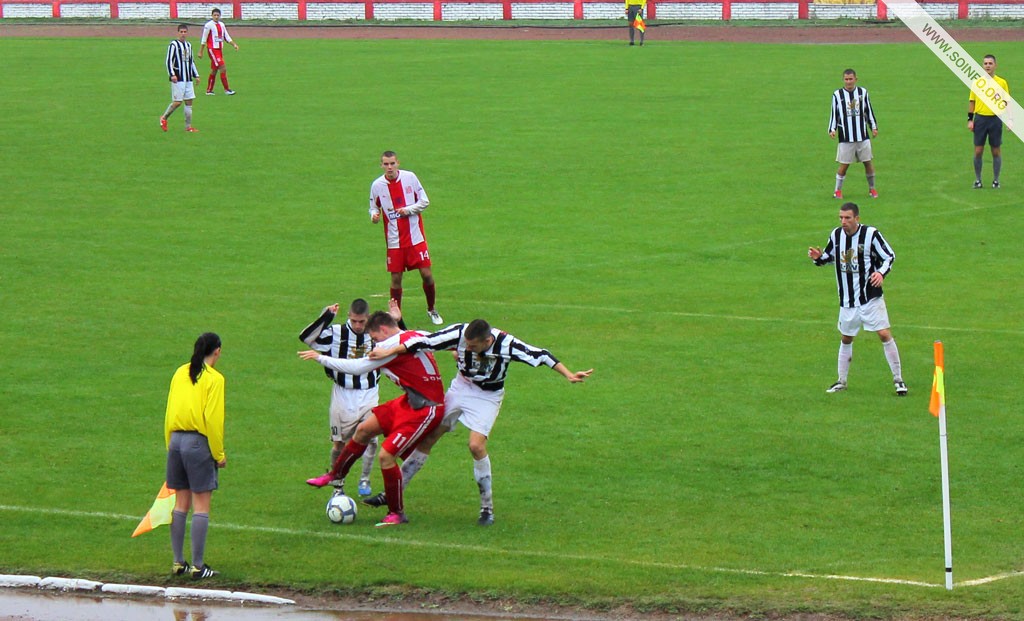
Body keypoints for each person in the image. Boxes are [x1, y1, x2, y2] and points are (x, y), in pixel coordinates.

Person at [364, 319, 593, 526]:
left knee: (476, 446)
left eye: (473, 346)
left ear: (487, 340)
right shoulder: (460, 333)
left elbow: (541, 354)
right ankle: (393, 492)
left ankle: (487, 508)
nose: (466, 349)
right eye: (466, 345)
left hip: (488, 396)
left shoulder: (507, 344)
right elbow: (425, 342)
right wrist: (391, 349)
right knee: (429, 436)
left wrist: (569, 374)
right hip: (461, 387)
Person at [299, 311, 445, 527]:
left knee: (386, 456)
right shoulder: (413, 335)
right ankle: (335, 475)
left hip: (427, 408)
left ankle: (397, 513)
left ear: (383, 330)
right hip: (410, 401)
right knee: (364, 430)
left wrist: (320, 358)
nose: (374, 344)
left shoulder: (389, 348)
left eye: (375, 338)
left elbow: (357, 368)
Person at [808, 203, 906, 397]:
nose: (843, 222)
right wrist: (818, 258)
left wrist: (880, 273)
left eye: (847, 218)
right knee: (846, 338)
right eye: (841, 218)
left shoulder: (871, 235)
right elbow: (829, 257)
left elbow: (889, 256)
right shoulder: (836, 235)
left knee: (884, 334)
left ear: (857, 218)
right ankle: (841, 381)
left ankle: (898, 380)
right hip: (847, 300)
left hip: (870, 297)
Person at [299, 299, 380, 497]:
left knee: (371, 439)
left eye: (362, 321)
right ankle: (338, 485)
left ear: (367, 318)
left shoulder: (376, 334)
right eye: (354, 321)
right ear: (349, 318)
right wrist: (326, 316)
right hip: (342, 394)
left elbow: (402, 341)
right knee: (339, 443)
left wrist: (399, 319)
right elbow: (306, 337)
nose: (358, 326)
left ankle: (364, 479)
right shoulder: (337, 333)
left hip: (369, 392)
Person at [165, 332, 226, 580]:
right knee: (201, 507)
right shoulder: (215, 379)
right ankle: (199, 566)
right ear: (217, 351)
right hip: (198, 444)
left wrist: (170, 444)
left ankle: (178, 562)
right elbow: (212, 420)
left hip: (176, 442)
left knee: (180, 504)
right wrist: (218, 454)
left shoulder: (180, 372)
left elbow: (170, 409)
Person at [369, 151, 444, 326]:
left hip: (416, 238)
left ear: (398, 163)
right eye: (386, 164)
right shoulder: (377, 185)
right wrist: (374, 215)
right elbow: (373, 207)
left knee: (426, 275)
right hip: (394, 240)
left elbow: (425, 202)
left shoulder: (410, 178)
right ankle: (397, 319)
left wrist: (407, 210)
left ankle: (432, 309)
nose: (389, 167)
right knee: (396, 279)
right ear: (381, 165)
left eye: (392, 163)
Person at [828, 69, 878, 199]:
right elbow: (834, 113)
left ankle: (872, 189)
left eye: (851, 79)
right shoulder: (837, 95)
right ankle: (837, 191)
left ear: (856, 79)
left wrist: (873, 127)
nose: (848, 81)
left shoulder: (863, 93)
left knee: (867, 162)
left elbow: (869, 111)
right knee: (844, 165)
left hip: (862, 135)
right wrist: (832, 129)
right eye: (846, 79)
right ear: (843, 80)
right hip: (846, 137)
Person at [969, 54, 1009, 189]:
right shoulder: (977, 83)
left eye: (990, 63)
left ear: (995, 66)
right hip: (980, 119)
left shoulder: (1002, 82)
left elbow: (1006, 102)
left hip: (995, 119)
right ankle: (978, 180)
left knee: (996, 151)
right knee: (978, 150)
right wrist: (970, 120)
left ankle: (996, 180)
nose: (988, 66)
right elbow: (972, 102)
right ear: (982, 66)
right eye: (985, 63)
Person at [160, 24, 200, 133]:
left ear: (187, 33)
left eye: (184, 32)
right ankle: (164, 118)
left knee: (189, 102)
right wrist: (172, 74)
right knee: (177, 102)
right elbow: (168, 61)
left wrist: (196, 75)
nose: (183, 34)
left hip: (188, 79)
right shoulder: (173, 45)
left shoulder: (189, 45)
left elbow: (191, 61)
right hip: (178, 78)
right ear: (178, 33)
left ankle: (188, 127)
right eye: (181, 32)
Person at [198, 8, 239, 96]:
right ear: (212, 16)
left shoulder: (222, 25)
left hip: (219, 50)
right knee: (223, 67)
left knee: (214, 70)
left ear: (220, 16)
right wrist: (200, 51)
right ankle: (227, 89)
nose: (216, 17)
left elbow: (226, 37)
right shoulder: (208, 25)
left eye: (217, 15)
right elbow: (204, 39)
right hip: (212, 50)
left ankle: (209, 90)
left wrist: (234, 44)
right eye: (214, 15)